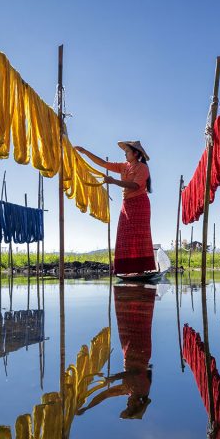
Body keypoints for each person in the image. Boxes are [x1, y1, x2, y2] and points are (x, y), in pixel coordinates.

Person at [76, 141, 156, 275]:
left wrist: (113, 181)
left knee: (139, 236)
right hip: (127, 204)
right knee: (124, 236)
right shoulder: (123, 166)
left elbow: (135, 186)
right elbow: (103, 164)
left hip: (140, 204)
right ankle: (127, 269)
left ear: (135, 153)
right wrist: (85, 151)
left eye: (127, 152)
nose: (125, 154)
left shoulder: (142, 168)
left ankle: (140, 270)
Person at [77, 284, 156, 420]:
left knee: (126, 322)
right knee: (138, 322)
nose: (127, 404)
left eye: (127, 406)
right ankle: (139, 292)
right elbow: (136, 372)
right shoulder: (142, 390)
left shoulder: (127, 391)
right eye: (129, 406)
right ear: (137, 404)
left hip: (128, 352)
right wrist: (115, 377)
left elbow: (104, 395)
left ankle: (130, 291)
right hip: (140, 350)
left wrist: (87, 408)